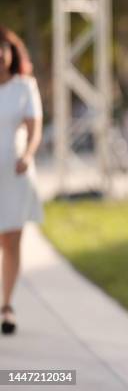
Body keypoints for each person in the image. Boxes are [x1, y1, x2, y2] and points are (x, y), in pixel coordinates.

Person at [0, 27, 44, 335]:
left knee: (11, 241)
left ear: (11, 53)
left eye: (1, 48)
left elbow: (34, 128)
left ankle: (6, 306)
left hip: (14, 173)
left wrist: (28, 154)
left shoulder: (25, 87)